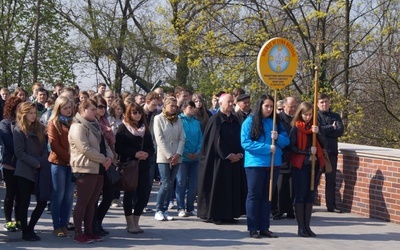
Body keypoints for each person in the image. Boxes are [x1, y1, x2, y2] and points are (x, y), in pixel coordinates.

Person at [241, 94, 290, 238]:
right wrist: (267, 147)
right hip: (255, 164)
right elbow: (245, 142)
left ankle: (264, 227)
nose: (269, 109)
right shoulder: (250, 121)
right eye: (266, 106)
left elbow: (286, 140)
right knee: (254, 195)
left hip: (273, 164)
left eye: (271, 106)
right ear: (260, 106)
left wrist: (278, 138)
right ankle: (253, 227)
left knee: (267, 196)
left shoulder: (276, 122)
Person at [68, 99, 113, 243]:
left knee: (92, 201)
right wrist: (103, 159)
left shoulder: (95, 126)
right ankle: (78, 233)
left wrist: (110, 157)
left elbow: (104, 144)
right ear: (82, 110)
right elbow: (85, 149)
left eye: (96, 109)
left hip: (98, 168)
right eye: (92, 109)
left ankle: (89, 231)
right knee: (83, 201)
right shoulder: (78, 126)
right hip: (85, 167)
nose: (95, 112)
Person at [197, 94, 246, 224]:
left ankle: (230, 214)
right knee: (218, 186)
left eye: (232, 102)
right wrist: (228, 155)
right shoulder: (215, 120)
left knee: (232, 187)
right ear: (220, 103)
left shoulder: (235, 119)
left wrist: (239, 154)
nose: (231, 104)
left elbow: (240, 138)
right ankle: (216, 214)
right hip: (218, 161)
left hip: (234, 161)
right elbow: (215, 141)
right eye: (228, 102)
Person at [13, 102, 51, 241]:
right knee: (24, 202)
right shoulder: (18, 130)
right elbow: (19, 152)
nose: (33, 116)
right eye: (30, 113)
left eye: (34, 113)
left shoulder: (39, 129)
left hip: (40, 169)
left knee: (42, 201)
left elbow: (44, 148)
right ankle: (25, 231)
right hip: (25, 171)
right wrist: (36, 163)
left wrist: (43, 160)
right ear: (23, 114)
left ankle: (31, 228)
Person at [115, 103, 155, 233]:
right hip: (129, 165)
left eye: (139, 112)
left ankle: (136, 220)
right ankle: (129, 222)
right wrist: (134, 153)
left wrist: (146, 153)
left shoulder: (145, 128)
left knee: (143, 194)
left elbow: (151, 147)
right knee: (129, 193)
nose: (137, 115)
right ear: (129, 114)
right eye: (134, 112)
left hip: (143, 165)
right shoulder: (123, 128)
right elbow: (119, 147)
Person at [289, 101, 327, 237]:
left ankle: (307, 226)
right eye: (305, 114)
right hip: (301, 165)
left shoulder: (315, 126)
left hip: (315, 165)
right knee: (301, 194)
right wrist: (306, 152)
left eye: (310, 114)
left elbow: (324, 144)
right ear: (300, 114)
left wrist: (319, 133)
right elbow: (291, 147)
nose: (308, 117)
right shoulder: (296, 127)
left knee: (311, 195)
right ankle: (301, 227)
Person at [153, 96, 185, 221]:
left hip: (176, 155)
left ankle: (165, 210)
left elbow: (182, 137)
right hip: (164, 155)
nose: (174, 108)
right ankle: (158, 209)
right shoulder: (158, 118)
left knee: (171, 183)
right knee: (165, 183)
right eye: (171, 105)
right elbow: (159, 139)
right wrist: (169, 155)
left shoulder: (178, 120)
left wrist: (178, 154)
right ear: (165, 106)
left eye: (175, 106)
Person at [47, 96, 75, 237]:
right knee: (58, 195)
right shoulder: (53, 123)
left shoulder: (74, 122)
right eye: (65, 108)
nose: (69, 110)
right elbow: (54, 145)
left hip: (72, 164)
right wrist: (69, 158)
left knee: (69, 196)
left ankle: (64, 224)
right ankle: (56, 226)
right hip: (58, 163)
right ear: (59, 108)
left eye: (70, 107)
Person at [92, 96, 115, 236]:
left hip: (109, 158)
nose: (102, 109)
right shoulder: (92, 123)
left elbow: (112, 139)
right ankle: (92, 223)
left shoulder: (106, 121)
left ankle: (98, 221)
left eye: (104, 106)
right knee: (94, 197)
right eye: (99, 106)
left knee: (109, 194)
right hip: (96, 161)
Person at [317, 93, 344, 213]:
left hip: (331, 151)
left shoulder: (336, 116)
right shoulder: (315, 116)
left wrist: (326, 129)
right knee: (314, 178)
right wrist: (331, 127)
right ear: (317, 104)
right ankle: (308, 204)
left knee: (331, 179)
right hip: (319, 151)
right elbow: (318, 131)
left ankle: (331, 205)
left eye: (326, 101)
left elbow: (340, 131)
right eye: (322, 102)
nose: (324, 104)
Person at [0, 96, 23, 232]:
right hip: (10, 163)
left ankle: (19, 219)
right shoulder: (5, 123)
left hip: (23, 164)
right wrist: (22, 151)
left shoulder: (24, 122)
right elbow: (8, 143)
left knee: (21, 194)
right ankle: (8, 220)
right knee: (11, 193)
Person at [272, 96, 297, 220]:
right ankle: (278, 209)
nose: (292, 109)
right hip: (282, 154)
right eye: (290, 107)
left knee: (292, 185)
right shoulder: (278, 119)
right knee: (280, 185)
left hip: (294, 154)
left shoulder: (297, 119)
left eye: (294, 107)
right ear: (284, 106)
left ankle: (291, 209)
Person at [176, 100, 203, 217]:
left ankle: (190, 207)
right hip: (182, 158)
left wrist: (197, 151)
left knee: (193, 184)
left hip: (195, 158)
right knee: (181, 182)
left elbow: (200, 138)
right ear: (183, 108)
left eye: (193, 107)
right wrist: (185, 152)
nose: (192, 109)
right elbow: (178, 138)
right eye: (190, 107)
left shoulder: (196, 122)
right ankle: (180, 207)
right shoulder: (179, 120)